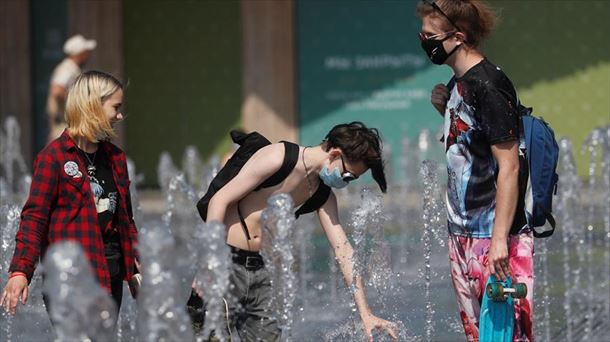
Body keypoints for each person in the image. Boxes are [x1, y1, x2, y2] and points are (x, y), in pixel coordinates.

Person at [195, 122, 397, 341]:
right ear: (335, 154)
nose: (345, 183)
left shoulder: (322, 194)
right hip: (226, 264)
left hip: (265, 273)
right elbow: (219, 200)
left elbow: (344, 251)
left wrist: (365, 314)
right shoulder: (278, 157)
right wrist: (209, 263)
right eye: (348, 176)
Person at [416, 0, 533, 341]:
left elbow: (509, 167)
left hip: (494, 239)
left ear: (458, 36)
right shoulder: (458, 85)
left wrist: (499, 241)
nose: (425, 42)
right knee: (478, 335)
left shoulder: (489, 86)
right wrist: (446, 111)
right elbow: (471, 148)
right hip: (462, 234)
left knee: (509, 335)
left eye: (430, 36)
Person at [1, 71, 139, 318]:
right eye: (115, 107)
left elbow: (126, 221)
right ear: (93, 106)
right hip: (69, 278)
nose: (120, 115)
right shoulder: (53, 157)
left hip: (110, 273)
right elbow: (34, 218)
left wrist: (137, 267)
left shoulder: (116, 158)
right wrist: (20, 271)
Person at [46, 34, 97, 143]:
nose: (88, 55)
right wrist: (76, 102)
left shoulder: (73, 68)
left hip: (69, 125)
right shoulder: (67, 68)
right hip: (64, 125)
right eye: (85, 52)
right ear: (79, 53)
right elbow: (57, 90)